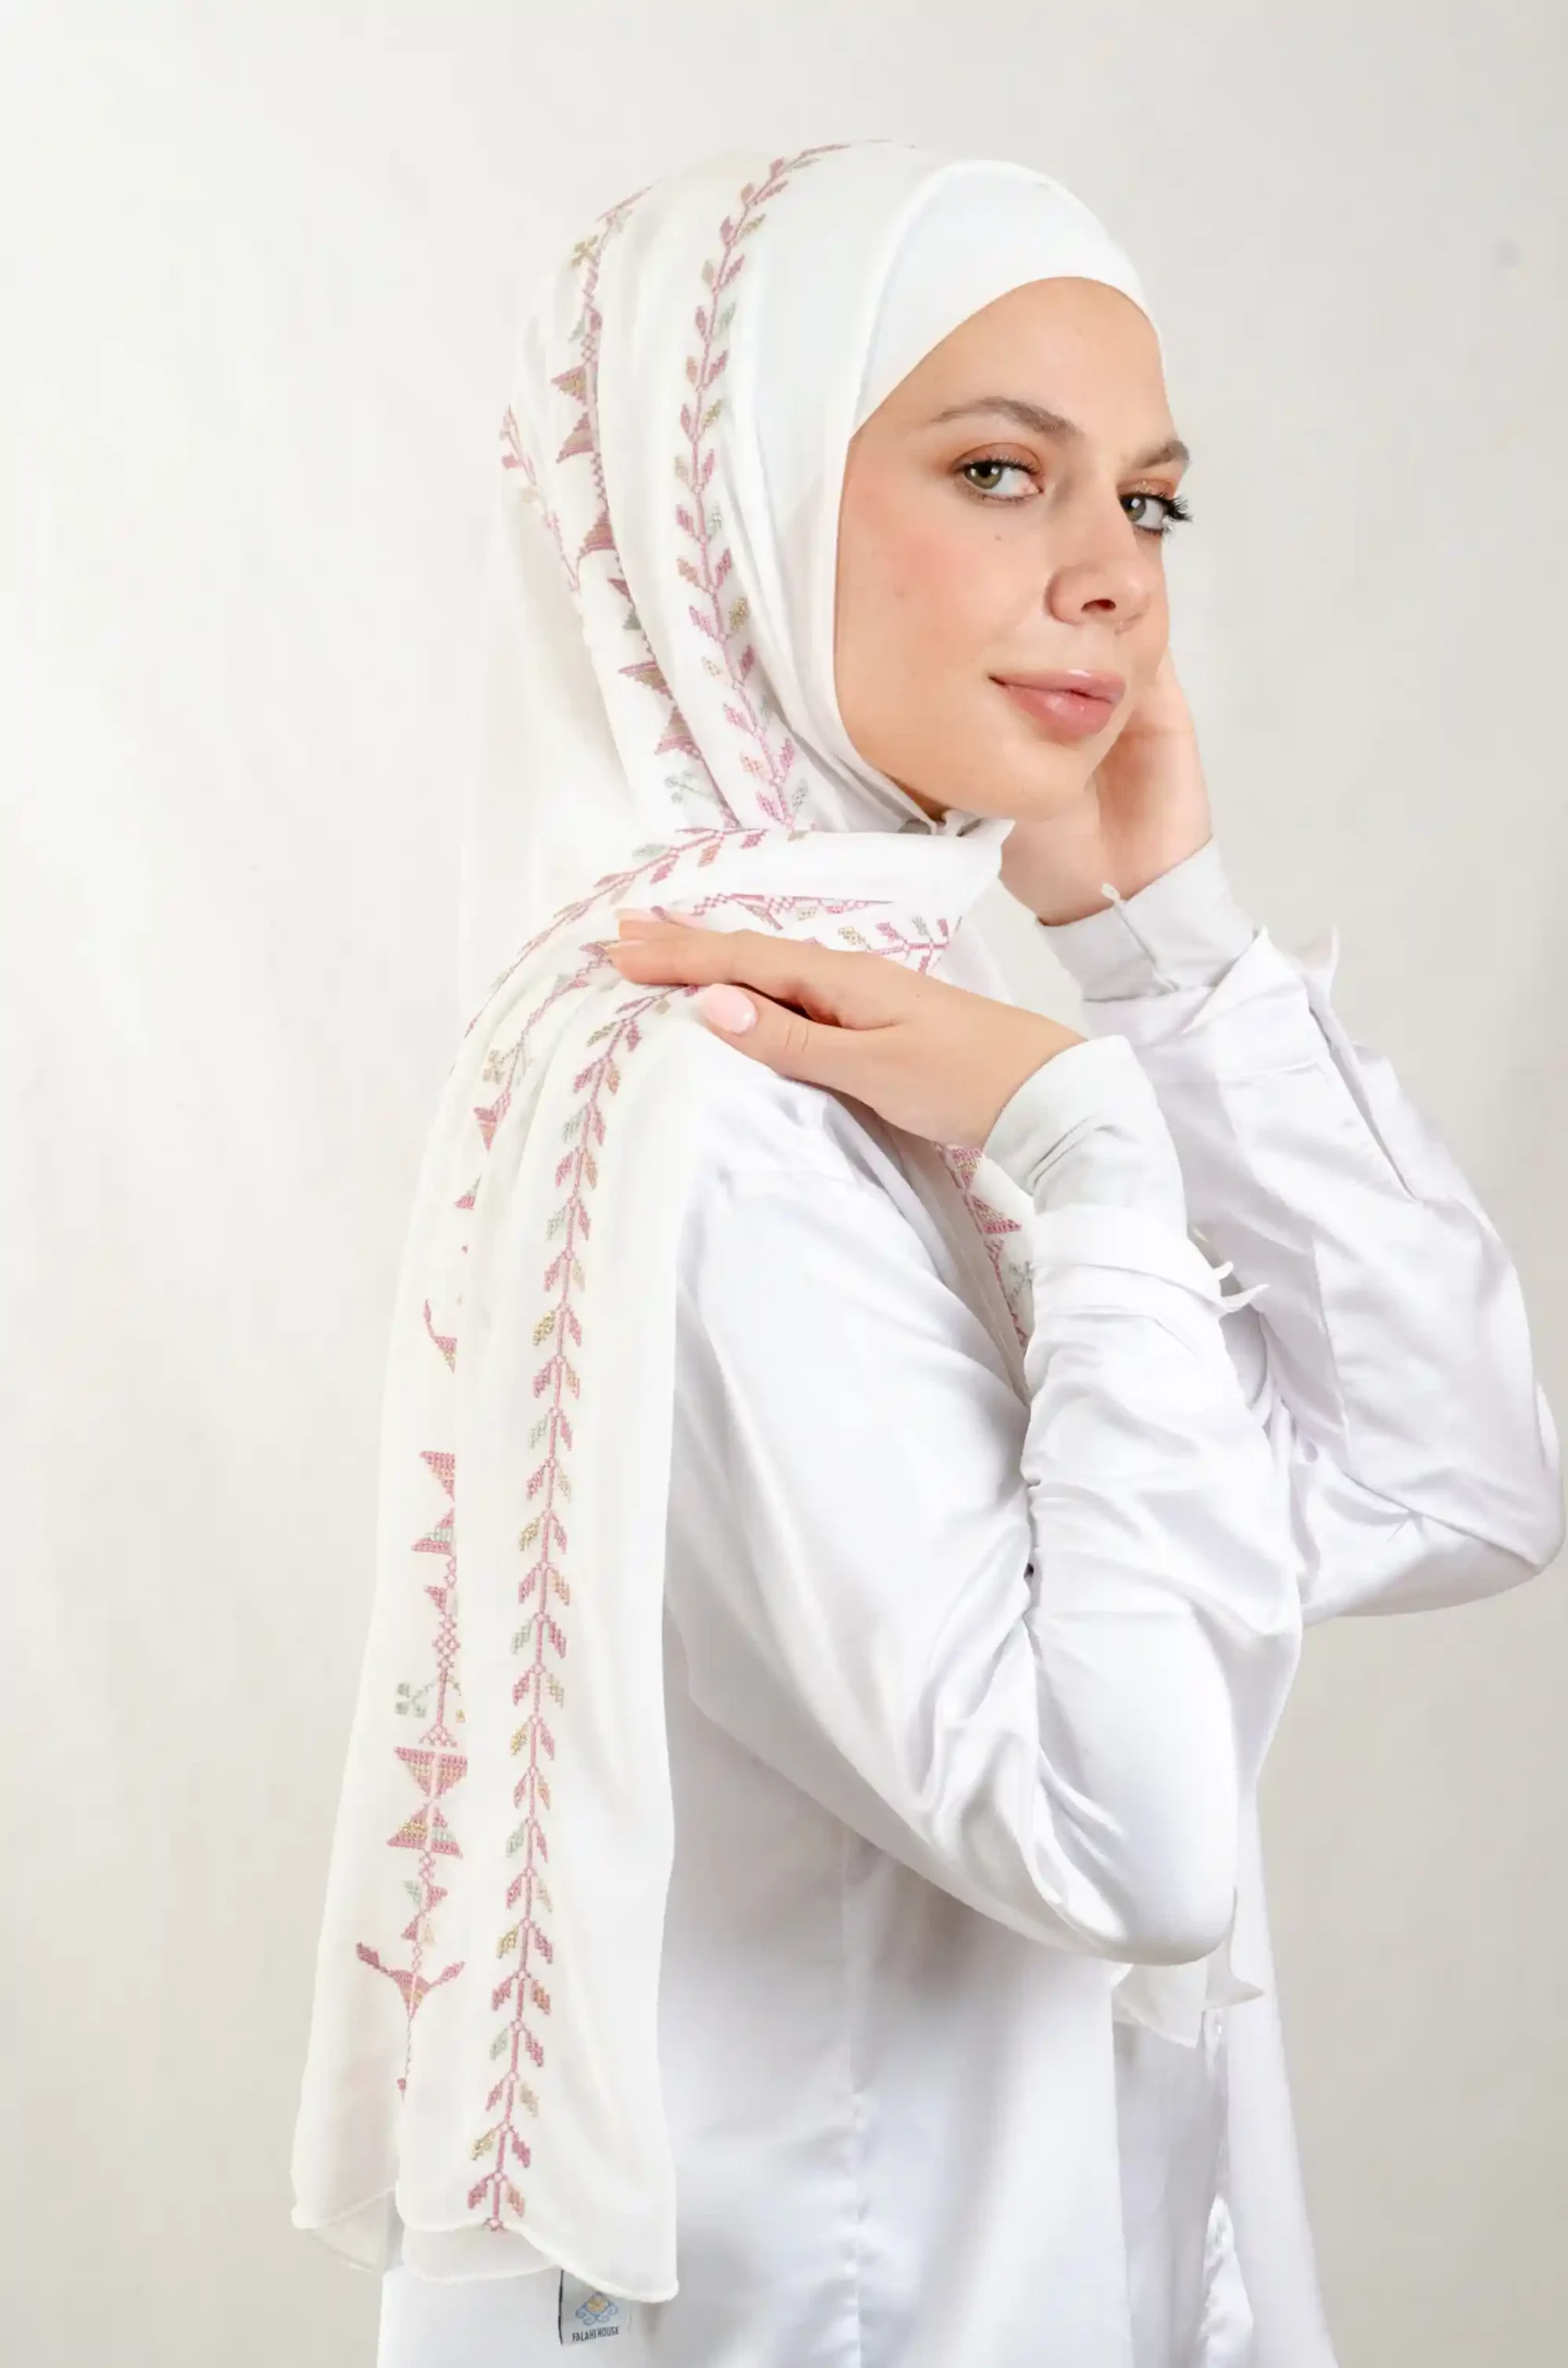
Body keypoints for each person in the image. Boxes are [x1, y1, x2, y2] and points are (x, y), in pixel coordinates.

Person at [291, 143, 1563, 2368]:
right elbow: (1125, 1836)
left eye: (1147, 501)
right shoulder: (716, 1093)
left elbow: (1454, 1479)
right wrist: (1097, 1155)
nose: (1111, 577)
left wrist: (1158, 950)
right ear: (735, 520)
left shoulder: (903, 1036)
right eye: (999, 472)